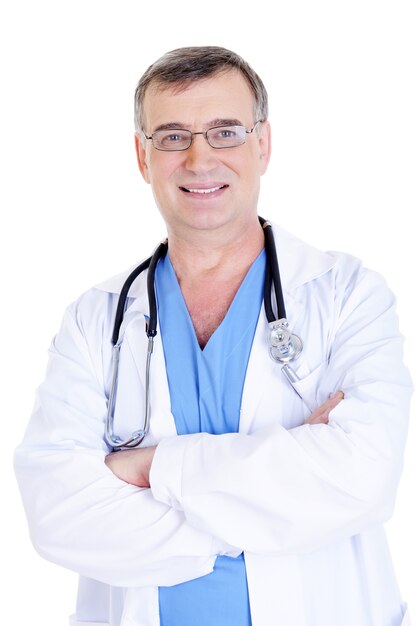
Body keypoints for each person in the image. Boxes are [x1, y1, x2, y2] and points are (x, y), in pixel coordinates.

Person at [14, 46, 413, 626]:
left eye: (225, 131)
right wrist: (273, 505)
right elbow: (57, 513)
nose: (200, 159)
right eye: (172, 136)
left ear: (263, 144)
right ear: (142, 156)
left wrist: (153, 469)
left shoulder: (346, 294)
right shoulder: (96, 321)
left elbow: (364, 478)